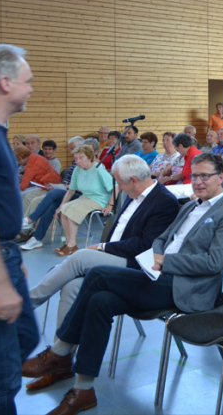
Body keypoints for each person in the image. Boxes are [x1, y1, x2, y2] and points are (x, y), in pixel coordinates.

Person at [23, 154, 223, 415]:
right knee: (99, 301)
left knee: (98, 275)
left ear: (220, 177)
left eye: (205, 176)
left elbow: (213, 262)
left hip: (183, 287)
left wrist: (165, 262)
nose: (197, 181)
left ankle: (60, 351)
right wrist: (155, 258)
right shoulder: (189, 206)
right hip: (155, 274)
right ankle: (83, 389)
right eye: (194, 175)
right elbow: (161, 239)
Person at [26, 155, 179, 388]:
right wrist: (105, 247)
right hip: (114, 256)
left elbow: (144, 245)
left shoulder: (164, 202)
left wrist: (103, 247)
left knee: (81, 256)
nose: (118, 188)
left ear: (135, 180)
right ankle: (62, 360)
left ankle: (28, 303)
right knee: (71, 286)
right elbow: (120, 230)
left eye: (120, 183)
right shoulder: (133, 194)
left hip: (134, 265)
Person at [0, 44, 39, 414]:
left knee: (25, 336)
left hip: (4, 253)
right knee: (0, 376)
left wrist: (12, 257)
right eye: (26, 81)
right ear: (5, 83)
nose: (31, 88)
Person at [55, 145, 116, 257]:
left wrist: (110, 205)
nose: (78, 161)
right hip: (85, 198)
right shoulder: (77, 170)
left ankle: (72, 245)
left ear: (89, 157)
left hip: (99, 199)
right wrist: (61, 205)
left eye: (81, 158)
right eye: (76, 158)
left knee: (73, 209)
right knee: (63, 210)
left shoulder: (98, 168)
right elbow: (70, 191)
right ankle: (69, 243)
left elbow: (115, 186)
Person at [15, 146, 62, 215]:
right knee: (22, 194)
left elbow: (22, 187)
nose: (18, 163)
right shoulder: (35, 157)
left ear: (21, 158)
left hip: (50, 187)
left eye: (18, 160)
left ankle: (26, 221)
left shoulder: (31, 165)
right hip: (50, 184)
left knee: (25, 196)